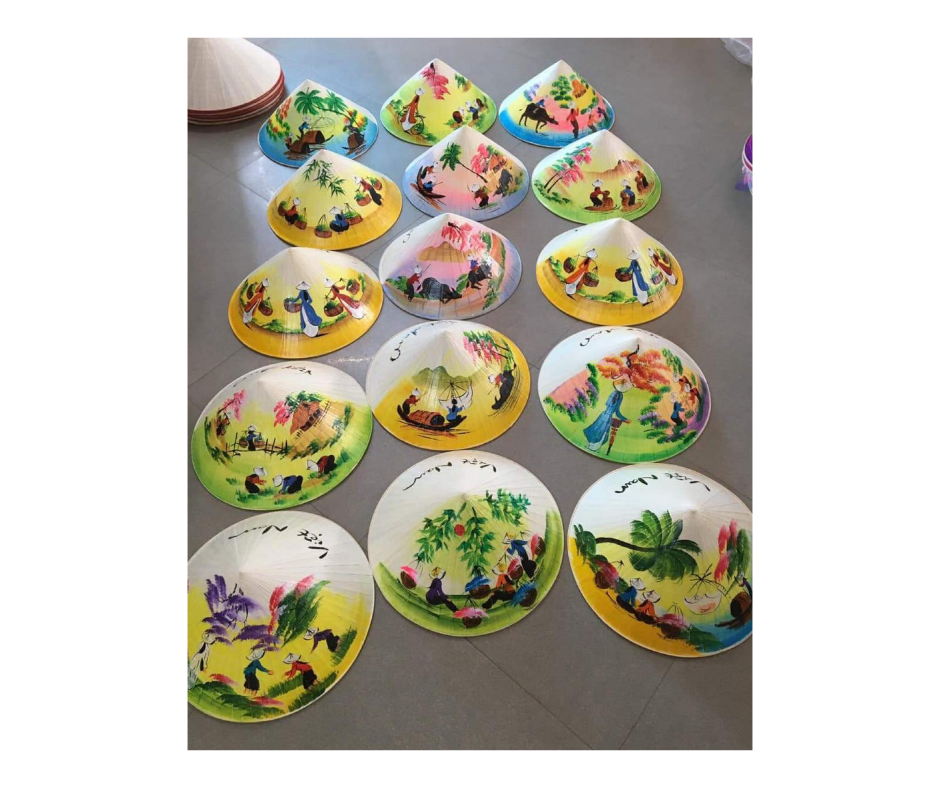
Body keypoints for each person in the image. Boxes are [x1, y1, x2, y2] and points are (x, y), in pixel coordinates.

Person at [584, 373, 633, 452]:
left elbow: (608, 405)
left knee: (596, 429)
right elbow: (617, 412)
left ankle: (590, 445)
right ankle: (594, 448)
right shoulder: (620, 396)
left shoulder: (613, 393)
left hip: (603, 415)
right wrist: (625, 419)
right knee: (602, 433)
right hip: (608, 418)